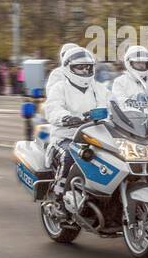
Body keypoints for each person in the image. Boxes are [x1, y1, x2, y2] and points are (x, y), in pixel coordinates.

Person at [43, 47, 109, 195]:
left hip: (98, 136)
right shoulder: (59, 88)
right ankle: (60, 191)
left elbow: (115, 105)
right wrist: (66, 118)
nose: (85, 71)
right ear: (68, 68)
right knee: (70, 154)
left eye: (88, 67)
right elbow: (53, 108)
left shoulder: (100, 88)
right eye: (80, 68)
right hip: (67, 137)